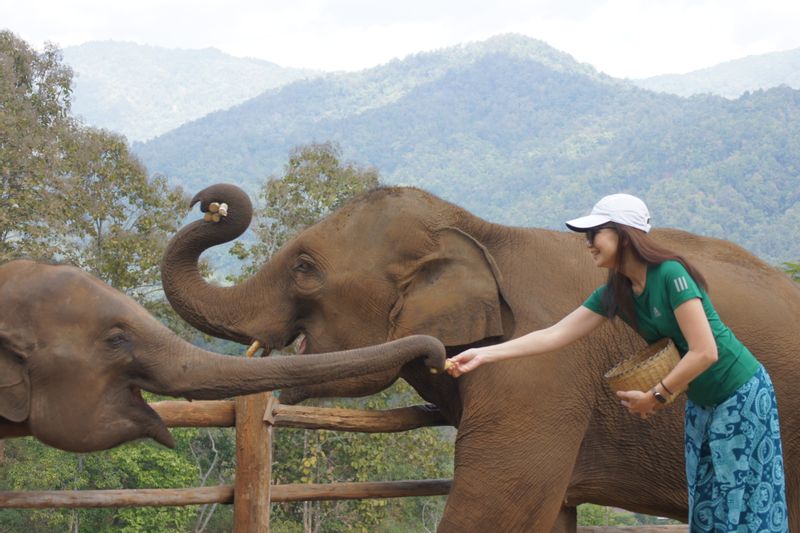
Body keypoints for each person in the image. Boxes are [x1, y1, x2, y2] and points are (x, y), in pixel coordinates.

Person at [446, 193, 788, 532]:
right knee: (707, 502)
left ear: (623, 235)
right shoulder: (618, 292)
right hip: (701, 401)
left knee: (742, 501)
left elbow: (705, 351)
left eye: (594, 233)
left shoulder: (670, 274)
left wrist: (656, 396)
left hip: (741, 394)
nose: (588, 243)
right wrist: (483, 355)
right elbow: (554, 335)